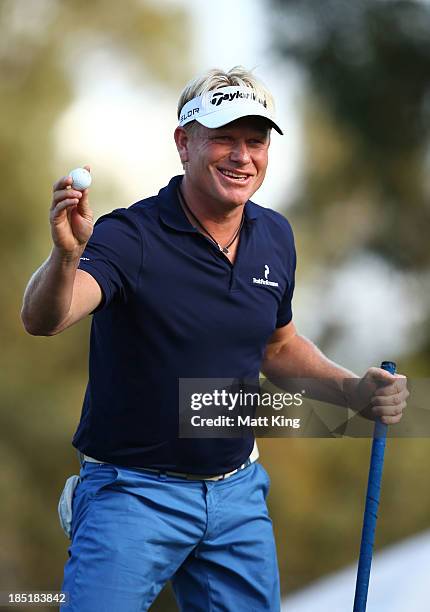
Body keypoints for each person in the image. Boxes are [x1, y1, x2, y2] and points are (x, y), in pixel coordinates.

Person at [21, 66, 408, 611]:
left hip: (237, 498)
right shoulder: (130, 235)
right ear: (184, 143)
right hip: (133, 496)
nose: (241, 156)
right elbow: (47, 318)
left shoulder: (274, 235)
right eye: (223, 138)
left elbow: (277, 348)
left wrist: (353, 393)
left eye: (255, 141)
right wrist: (66, 256)